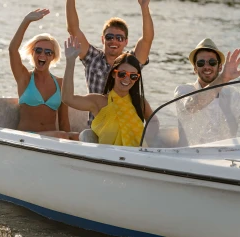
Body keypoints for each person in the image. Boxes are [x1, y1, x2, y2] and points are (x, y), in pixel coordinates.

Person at [174, 38, 240, 147]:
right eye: (201, 63)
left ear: (220, 67)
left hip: (226, 158)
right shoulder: (183, 90)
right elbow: (193, 105)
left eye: (212, 62)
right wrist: (224, 78)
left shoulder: (233, 95)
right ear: (195, 69)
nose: (206, 66)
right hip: (189, 157)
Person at [66, 0, 154, 126]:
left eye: (119, 38)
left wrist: (144, 7)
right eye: (109, 37)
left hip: (125, 127)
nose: (114, 41)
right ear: (102, 39)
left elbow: (147, 40)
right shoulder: (92, 57)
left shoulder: (131, 61)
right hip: (97, 127)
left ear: (126, 42)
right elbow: (73, 29)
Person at [62, 36, 157, 147]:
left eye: (133, 76)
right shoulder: (99, 101)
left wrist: (146, 140)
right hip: (109, 159)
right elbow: (67, 99)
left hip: (136, 158)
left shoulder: (139, 101)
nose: (127, 79)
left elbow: (154, 121)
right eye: (122, 74)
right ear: (113, 74)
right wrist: (70, 61)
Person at [9, 9, 78, 140]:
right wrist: (26, 21)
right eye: (38, 50)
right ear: (32, 53)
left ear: (53, 57)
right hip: (25, 138)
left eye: (48, 52)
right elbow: (12, 50)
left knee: (78, 136)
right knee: (61, 135)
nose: (42, 55)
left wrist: (70, 142)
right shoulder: (24, 78)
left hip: (51, 141)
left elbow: (64, 121)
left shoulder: (60, 83)